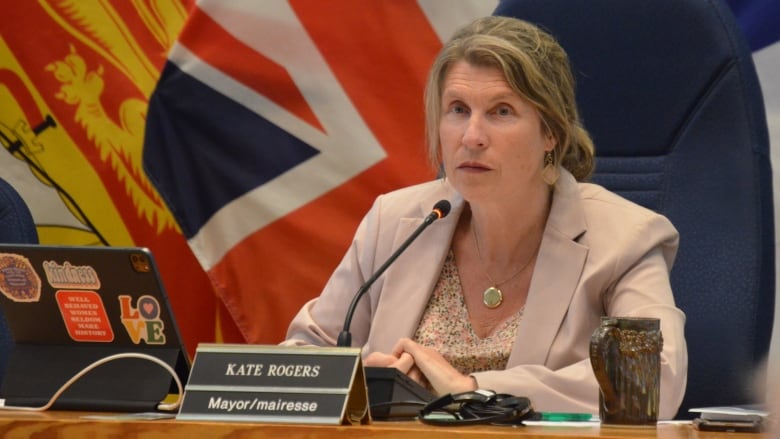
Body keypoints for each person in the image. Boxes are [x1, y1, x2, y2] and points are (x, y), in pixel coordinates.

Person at [282, 15, 687, 418]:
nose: (471, 136)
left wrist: (475, 391)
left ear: (552, 134)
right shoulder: (395, 221)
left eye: (501, 111)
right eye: (457, 109)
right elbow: (299, 359)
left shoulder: (625, 238)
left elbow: (654, 381)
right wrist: (353, 381)